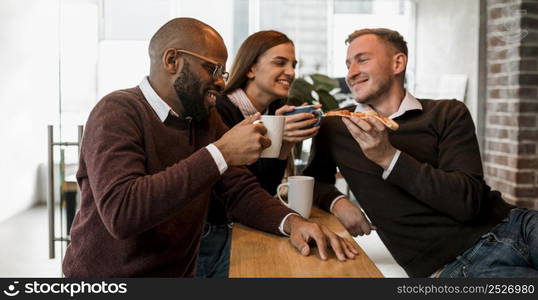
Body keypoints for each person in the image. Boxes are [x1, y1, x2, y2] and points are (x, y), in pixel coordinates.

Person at [62, 18, 358, 277]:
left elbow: (239, 190)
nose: (220, 80)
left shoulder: (205, 119)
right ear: (172, 61)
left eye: (223, 72)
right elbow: (122, 213)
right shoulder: (117, 111)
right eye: (212, 68)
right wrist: (220, 153)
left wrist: (292, 222)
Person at [304, 28, 538, 278]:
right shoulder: (336, 126)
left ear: (398, 62)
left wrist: (388, 157)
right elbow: (312, 182)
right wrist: (337, 201)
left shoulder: (448, 113)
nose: (351, 73)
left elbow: (466, 202)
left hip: (516, 225)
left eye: (362, 60)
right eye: (348, 64)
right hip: (454, 269)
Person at [196, 30, 321, 278]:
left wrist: (283, 145)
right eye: (280, 62)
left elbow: (262, 188)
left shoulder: (274, 111)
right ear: (251, 69)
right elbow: (231, 187)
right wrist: (277, 140)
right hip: (214, 231)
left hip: (246, 223)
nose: (291, 72)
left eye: (293, 65)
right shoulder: (220, 109)